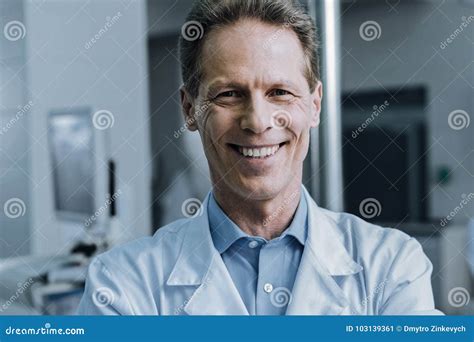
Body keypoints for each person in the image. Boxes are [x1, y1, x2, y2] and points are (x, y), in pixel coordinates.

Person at [77, 0, 441, 315]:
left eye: (280, 92)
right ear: (190, 109)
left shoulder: (392, 267)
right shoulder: (122, 284)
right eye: (230, 94)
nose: (257, 122)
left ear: (314, 106)